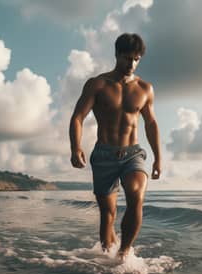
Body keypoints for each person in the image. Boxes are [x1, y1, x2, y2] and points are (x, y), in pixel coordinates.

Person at [69, 33, 161, 260]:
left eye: (136, 59)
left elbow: (150, 123)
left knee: (136, 195)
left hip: (133, 154)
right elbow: (78, 117)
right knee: (108, 214)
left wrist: (158, 158)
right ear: (117, 54)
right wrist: (75, 147)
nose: (131, 64)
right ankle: (106, 259)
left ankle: (124, 254)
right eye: (127, 58)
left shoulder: (145, 88)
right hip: (104, 155)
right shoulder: (98, 84)